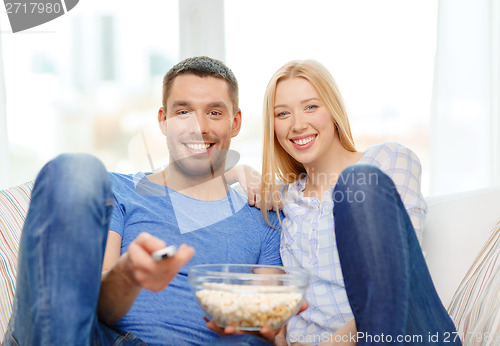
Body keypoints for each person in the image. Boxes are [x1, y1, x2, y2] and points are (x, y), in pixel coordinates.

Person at [3, 56, 283, 346]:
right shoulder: (119, 191)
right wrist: (128, 275)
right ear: (163, 120)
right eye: (183, 111)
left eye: (214, 113)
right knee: (76, 169)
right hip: (93, 338)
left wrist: (253, 326)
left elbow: (267, 325)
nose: (199, 127)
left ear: (235, 122)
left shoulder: (265, 219)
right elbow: (96, 309)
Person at [253, 59, 460, 345]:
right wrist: (238, 171)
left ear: (333, 110)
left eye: (311, 106)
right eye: (282, 113)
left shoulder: (388, 160)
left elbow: (400, 274)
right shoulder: (284, 200)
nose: (298, 124)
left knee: (358, 179)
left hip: (406, 333)